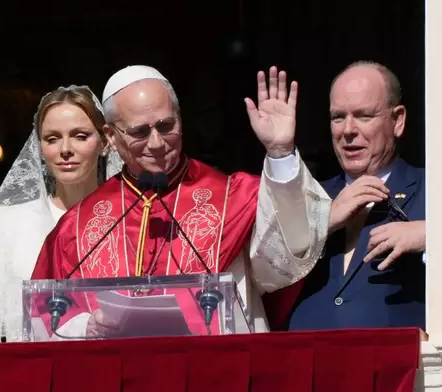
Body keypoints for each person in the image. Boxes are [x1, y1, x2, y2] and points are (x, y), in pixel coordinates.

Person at [31, 65, 332, 335]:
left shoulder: (235, 197)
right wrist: (87, 325)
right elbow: (44, 314)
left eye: (166, 126)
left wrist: (280, 153)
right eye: (139, 131)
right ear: (110, 136)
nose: (157, 143)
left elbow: (286, 262)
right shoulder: (79, 226)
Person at [268, 61, 426, 331]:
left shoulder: (434, 190)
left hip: (397, 366)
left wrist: (432, 235)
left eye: (364, 116)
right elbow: (263, 273)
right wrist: (323, 219)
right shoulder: (311, 195)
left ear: (398, 120)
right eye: (338, 117)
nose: (348, 130)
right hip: (308, 363)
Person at [0, 85, 123, 342]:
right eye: (52, 138)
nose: (65, 149)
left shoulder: (129, 218)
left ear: (105, 142)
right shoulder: (7, 221)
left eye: (80, 136)